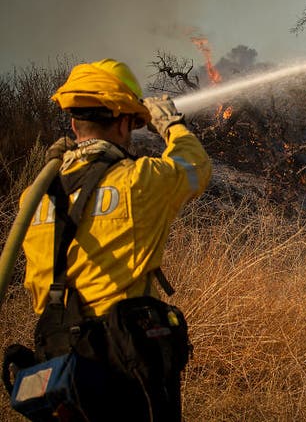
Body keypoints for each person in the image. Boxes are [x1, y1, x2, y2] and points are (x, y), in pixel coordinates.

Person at [17, 59, 211, 420]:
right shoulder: (139, 181)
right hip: (121, 360)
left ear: (74, 123)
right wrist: (171, 124)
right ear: (123, 123)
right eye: (132, 124)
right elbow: (195, 166)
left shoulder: (36, 196)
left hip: (57, 364)